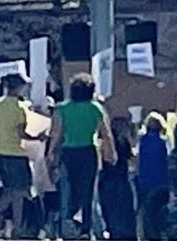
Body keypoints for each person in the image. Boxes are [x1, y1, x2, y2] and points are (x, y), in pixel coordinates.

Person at [47, 73, 114, 239]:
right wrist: (111, 153)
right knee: (88, 191)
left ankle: (65, 225)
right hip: (88, 152)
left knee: (67, 191)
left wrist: (50, 153)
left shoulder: (62, 108)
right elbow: (105, 133)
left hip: (67, 153)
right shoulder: (95, 107)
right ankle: (85, 229)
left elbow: (57, 134)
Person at [0, 73, 38, 236]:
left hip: (0, 152)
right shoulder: (19, 107)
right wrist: (38, 137)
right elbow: (22, 133)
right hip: (16, 153)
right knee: (21, 190)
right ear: (19, 87)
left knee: (11, 189)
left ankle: (16, 225)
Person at [98, 115, 138, 241]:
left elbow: (132, 159)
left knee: (122, 211)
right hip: (112, 180)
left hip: (120, 179)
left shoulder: (123, 142)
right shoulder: (111, 142)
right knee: (116, 210)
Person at [134, 114, 172, 241]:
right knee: (161, 211)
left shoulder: (142, 141)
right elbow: (168, 160)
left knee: (145, 212)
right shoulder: (163, 142)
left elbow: (138, 159)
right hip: (162, 182)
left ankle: (146, 235)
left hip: (144, 182)